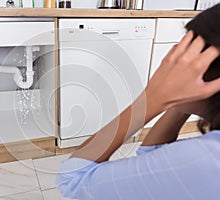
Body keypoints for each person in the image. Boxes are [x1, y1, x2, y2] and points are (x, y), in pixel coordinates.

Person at [56, 4, 220, 200]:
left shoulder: (206, 157)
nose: (176, 64)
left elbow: (72, 180)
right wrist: (181, 98)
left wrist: (151, 98)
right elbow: (153, 155)